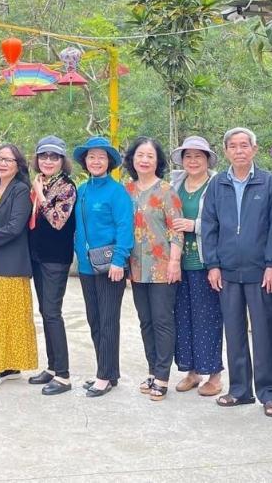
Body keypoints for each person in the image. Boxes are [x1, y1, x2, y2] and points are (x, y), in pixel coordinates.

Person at [203, 127, 272, 416]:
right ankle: (239, 390)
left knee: (265, 332)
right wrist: (212, 264)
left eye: (244, 146)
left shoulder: (270, 183)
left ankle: (271, 394)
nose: (239, 151)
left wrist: (271, 264)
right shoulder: (217, 185)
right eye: (233, 146)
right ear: (226, 151)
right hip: (226, 270)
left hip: (260, 270)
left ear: (254, 149)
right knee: (234, 331)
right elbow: (208, 226)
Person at [72, 135, 133, 398]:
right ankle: (107, 370)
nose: (96, 161)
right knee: (94, 320)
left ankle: (104, 376)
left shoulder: (117, 191)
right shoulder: (83, 189)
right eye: (91, 156)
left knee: (108, 321)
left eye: (101, 157)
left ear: (109, 162)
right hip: (86, 266)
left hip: (111, 267)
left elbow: (124, 226)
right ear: (85, 161)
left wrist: (120, 260)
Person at [124, 136, 182, 401]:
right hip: (136, 267)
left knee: (162, 321)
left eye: (150, 156)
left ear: (157, 161)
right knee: (145, 321)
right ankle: (152, 369)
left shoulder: (167, 191)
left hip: (162, 267)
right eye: (140, 155)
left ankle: (162, 376)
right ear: (132, 159)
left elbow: (177, 230)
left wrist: (174, 262)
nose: (144, 160)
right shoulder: (126, 191)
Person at [0, 143, 38, 391]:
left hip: (11, 261)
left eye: (9, 160)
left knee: (4, 317)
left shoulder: (20, 190)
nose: (2, 163)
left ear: (18, 165)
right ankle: (10, 365)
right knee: (1, 314)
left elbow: (15, 226)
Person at [170, 135, 224, 398]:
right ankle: (192, 371)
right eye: (188, 156)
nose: (192, 161)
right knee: (183, 317)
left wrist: (195, 226)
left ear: (207, 160)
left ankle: (214, 375)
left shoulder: (216, 185)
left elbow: (224, 222)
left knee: (208, 318)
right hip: (178, 263)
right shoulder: (175, 183)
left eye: (198, 156)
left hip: (205, 261)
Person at [26, 135, 77, 396]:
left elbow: (57, 220)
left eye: (53, 157)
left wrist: (40, 195)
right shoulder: (42, 182)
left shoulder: (66, 186)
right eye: (43, 156)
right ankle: (53, 366)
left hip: (55, 258)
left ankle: (64, 375)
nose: (48, 160)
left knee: (53, 312)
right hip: (38, 256)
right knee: (45, 312)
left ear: (62, 161)